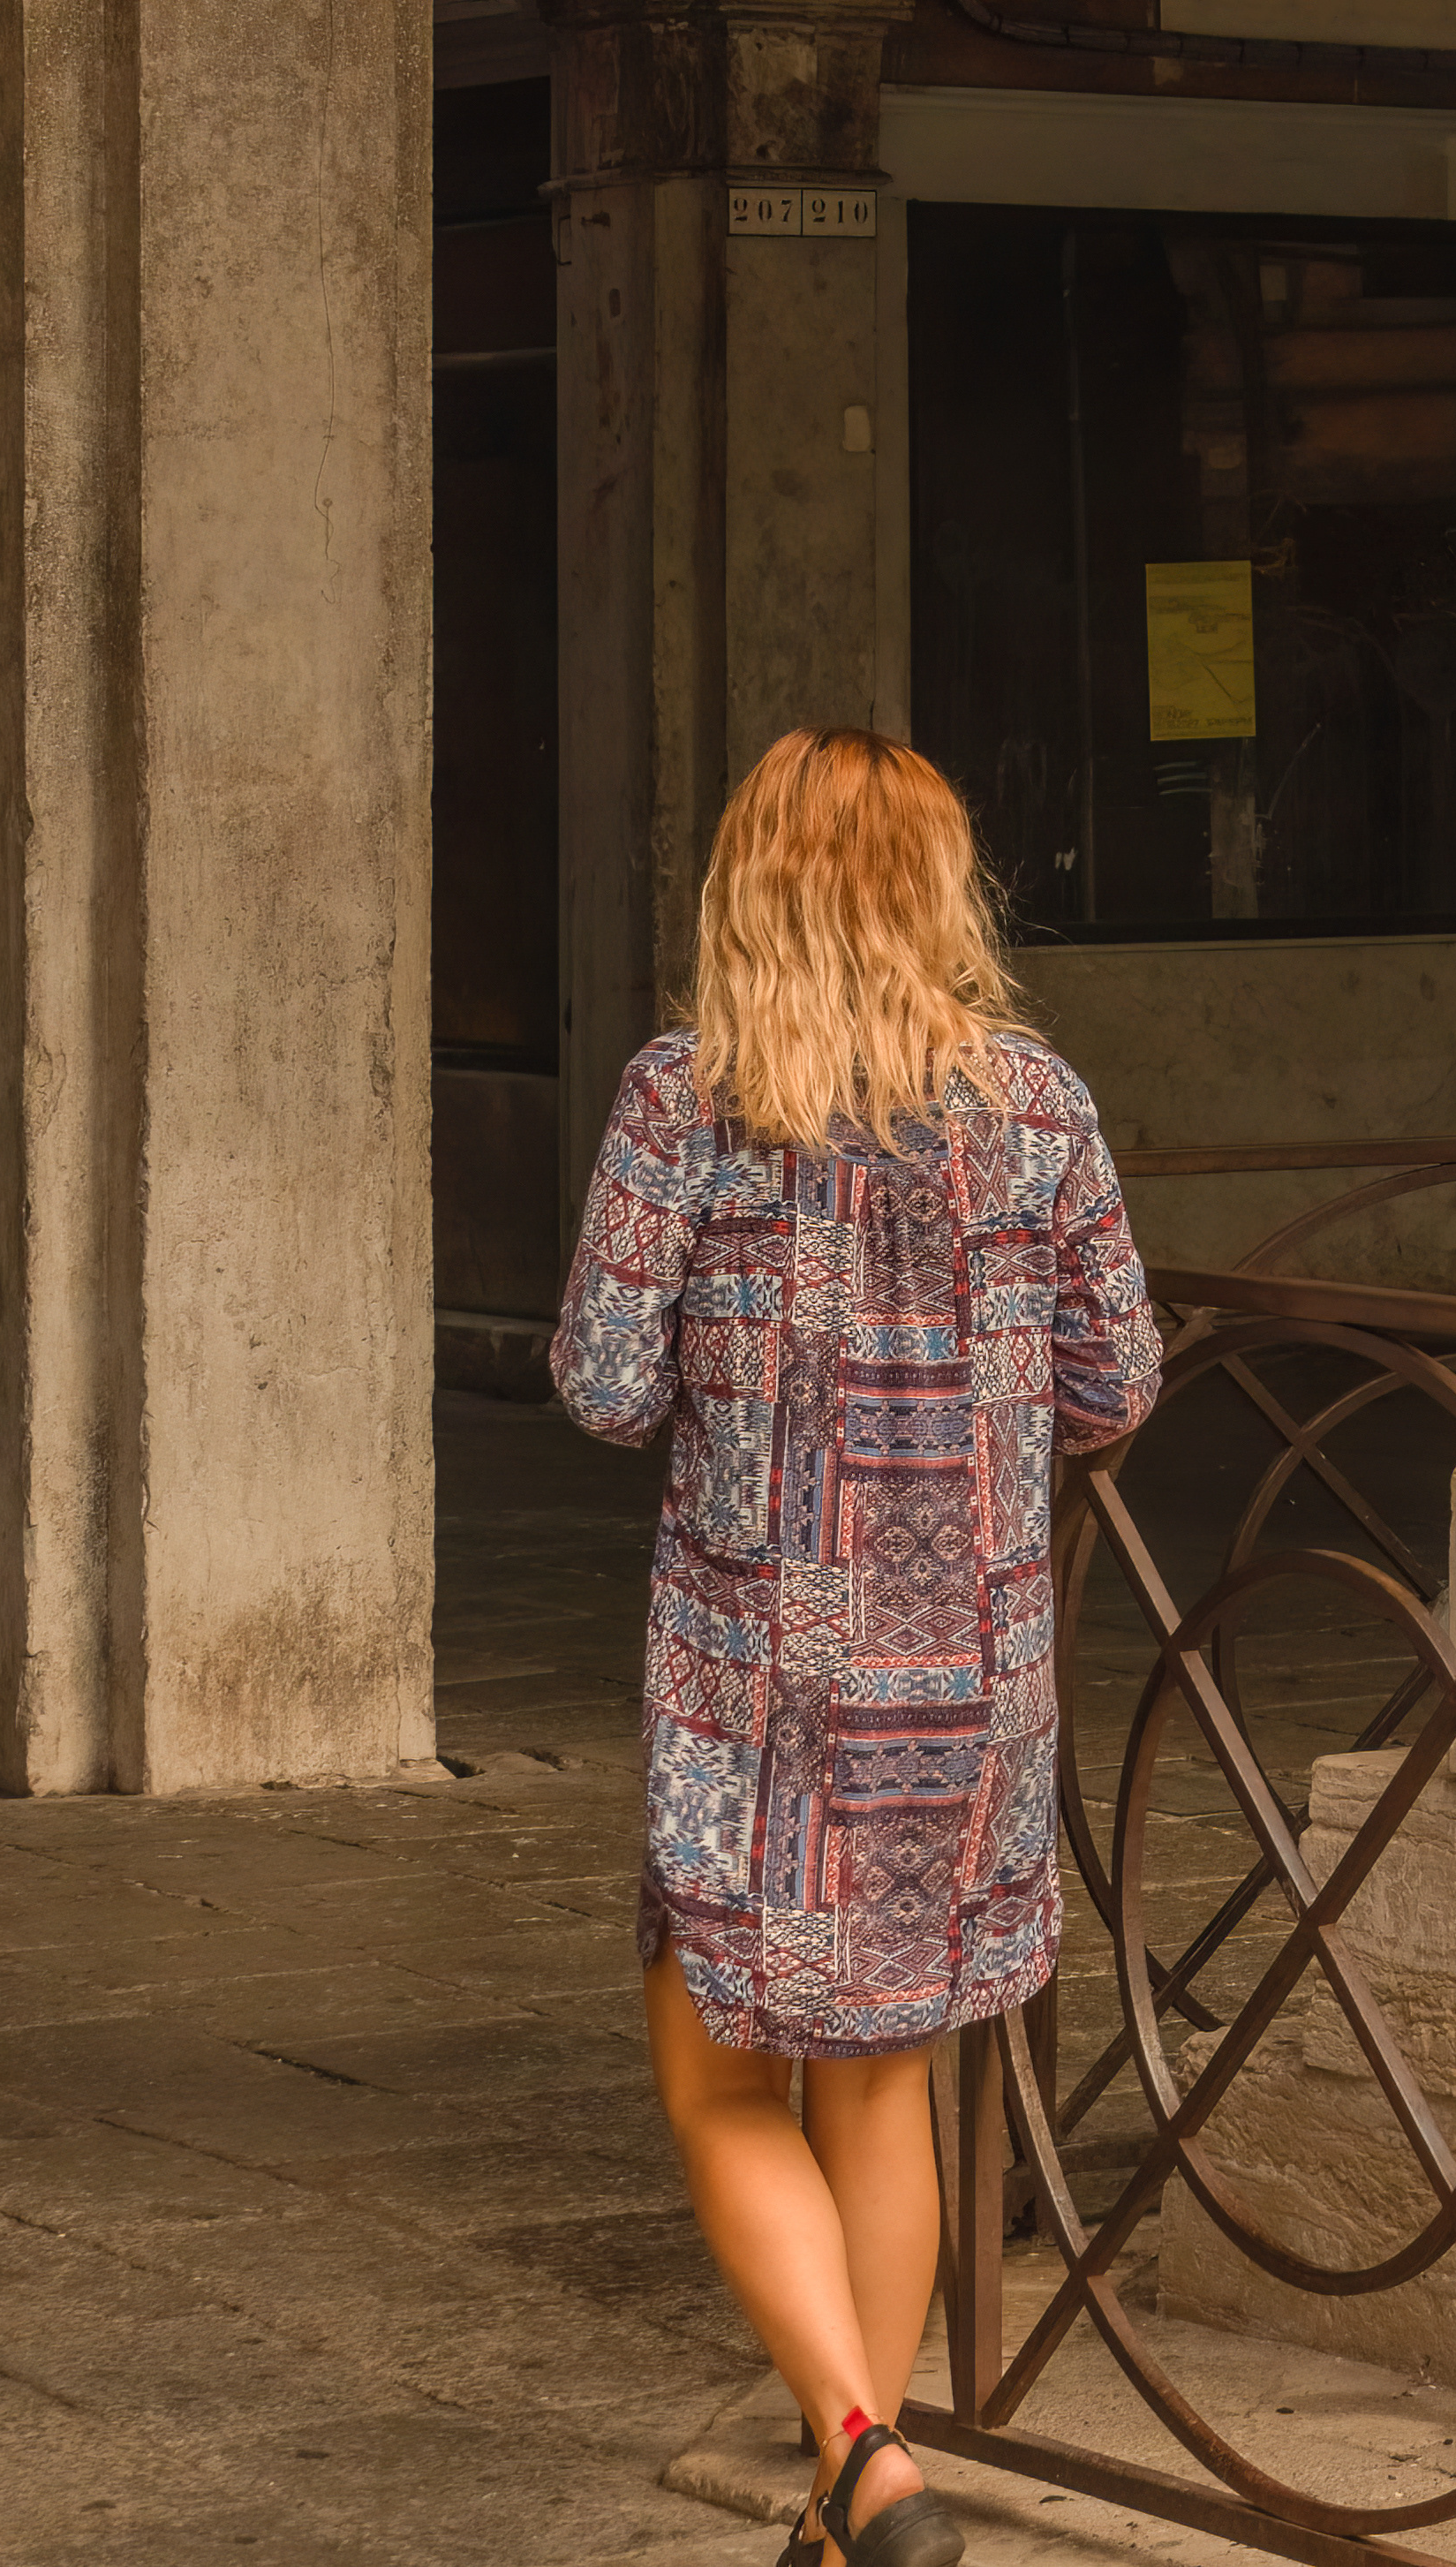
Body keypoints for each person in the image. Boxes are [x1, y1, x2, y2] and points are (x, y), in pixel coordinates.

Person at [553, 729, 1166, 2567]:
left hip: (761, 1676)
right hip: (966, 1667)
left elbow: (598, 1382)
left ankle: (859, 2450)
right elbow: (1117, 1374)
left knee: (717, 2072)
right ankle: (847, 2520)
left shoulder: (687, 1098)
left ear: (748, 887)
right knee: (884, 2078)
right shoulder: (1036, 1106)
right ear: (936, 888)